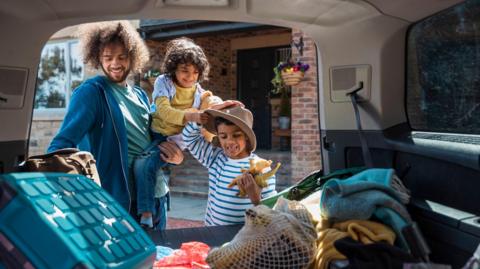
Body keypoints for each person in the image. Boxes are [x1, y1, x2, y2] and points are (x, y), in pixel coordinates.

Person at [47, 21, 184, 229]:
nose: (115, 63)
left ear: (133, 56)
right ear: (97, 58)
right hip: (120, 203)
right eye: (108, 58)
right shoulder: (91, 93)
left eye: (122, 57)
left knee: (159, 258)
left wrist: (175, 158)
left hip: (156, 195)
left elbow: (154, 141)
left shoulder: (139, 95)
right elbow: (61, 144)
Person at [134, 37, 213, 228]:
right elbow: (163, 111)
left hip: (174, 141)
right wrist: (190, 116)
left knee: (144, 165)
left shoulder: (198, 91)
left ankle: (146, 212)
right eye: (185, 70)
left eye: (195, 72)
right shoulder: (164, 82)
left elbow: (211, 103)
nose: (190, 76)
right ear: (174, 69)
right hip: (156, 132)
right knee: (143, 164)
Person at [182, 104, 278, 226]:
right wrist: (200, 119)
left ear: (247, 137)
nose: (230, 141)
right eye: (223, 136)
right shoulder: (214, 158)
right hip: (213, 232)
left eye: (236, 135)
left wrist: (255, 198)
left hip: (246, 238)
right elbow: (188, 137)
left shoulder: (262, 167)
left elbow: (272, 214)